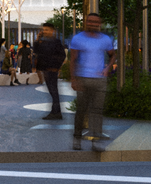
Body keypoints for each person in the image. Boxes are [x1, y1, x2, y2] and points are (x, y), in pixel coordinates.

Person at [66, 12, 118, 150]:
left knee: (97, 111)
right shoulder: (78, 39)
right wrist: (73, 79)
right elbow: (73, 60)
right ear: (86, 22)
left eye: (96, 22)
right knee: (81, 110)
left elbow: (113, 55)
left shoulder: (105, 39)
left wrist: (107, 68)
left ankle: (95, 141)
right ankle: (77, 138)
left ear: (99, 24)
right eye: (90, 21)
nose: (93, 24)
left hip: (100, 80)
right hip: (83, 79)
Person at [33, 24, 67, 119]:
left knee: (53, 91)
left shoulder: (56, 42)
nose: (45, 31)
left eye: (47, 30)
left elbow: (62, 55)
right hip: (46, 69)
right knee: (53, 91)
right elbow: (36, 51)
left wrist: (56, 67)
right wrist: (37, 39)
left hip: (51, 69)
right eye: (44, 30)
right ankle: (55, 111)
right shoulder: (43, 42)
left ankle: (56, 112)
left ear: (52, 31)